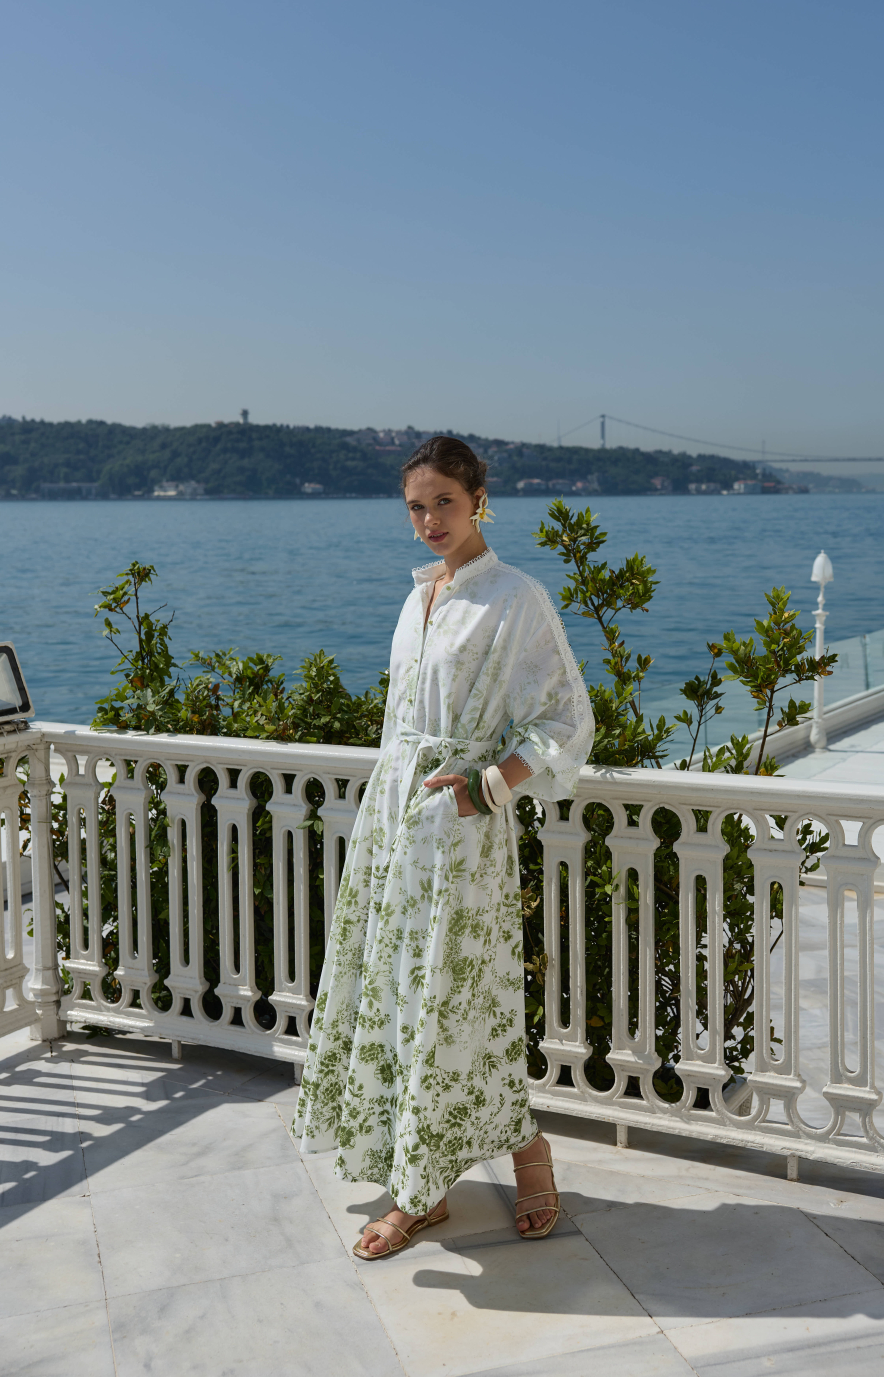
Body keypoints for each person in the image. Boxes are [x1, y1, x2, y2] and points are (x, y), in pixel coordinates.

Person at [292, 435, 594, 1260]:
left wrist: (488, 785)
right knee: (400, 997)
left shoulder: (514, 597)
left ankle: (514, 1154)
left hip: (462, 833)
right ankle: (425, 1186)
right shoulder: (418, 595)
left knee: (460, 1000)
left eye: (444, 503)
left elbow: (568, 718)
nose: (430, 520)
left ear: (478, 499)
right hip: (394, 826)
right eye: (416, 508)